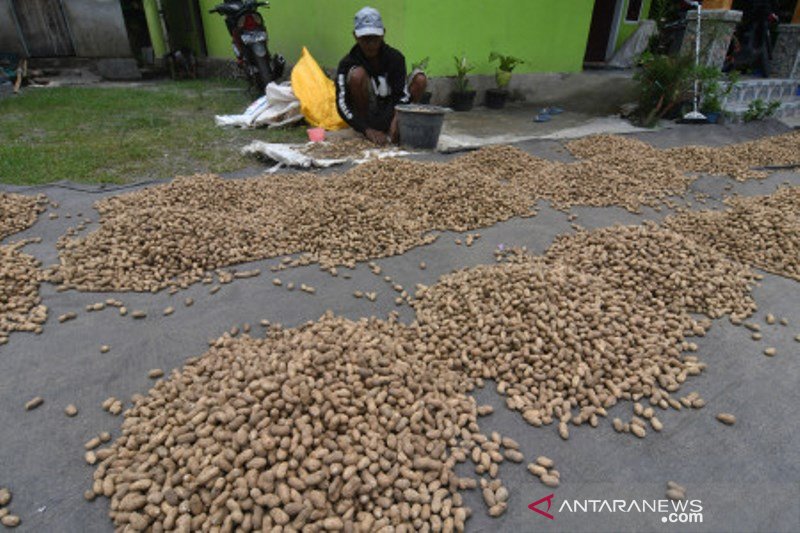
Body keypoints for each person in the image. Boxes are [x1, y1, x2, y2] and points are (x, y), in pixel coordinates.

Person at [335, 6, 427, 145]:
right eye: (365, 39)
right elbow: (341, 103)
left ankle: (404, 125)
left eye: (375, 39)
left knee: (420, 79)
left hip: (391, 111)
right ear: (355, 36)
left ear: (383, 34)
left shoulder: (395, 58)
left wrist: (397, 119)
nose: (371, 45)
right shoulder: (347, 63)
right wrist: (365, 129)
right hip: (367, 117)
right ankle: (368, 130)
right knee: (357, 75)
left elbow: (401, 95)